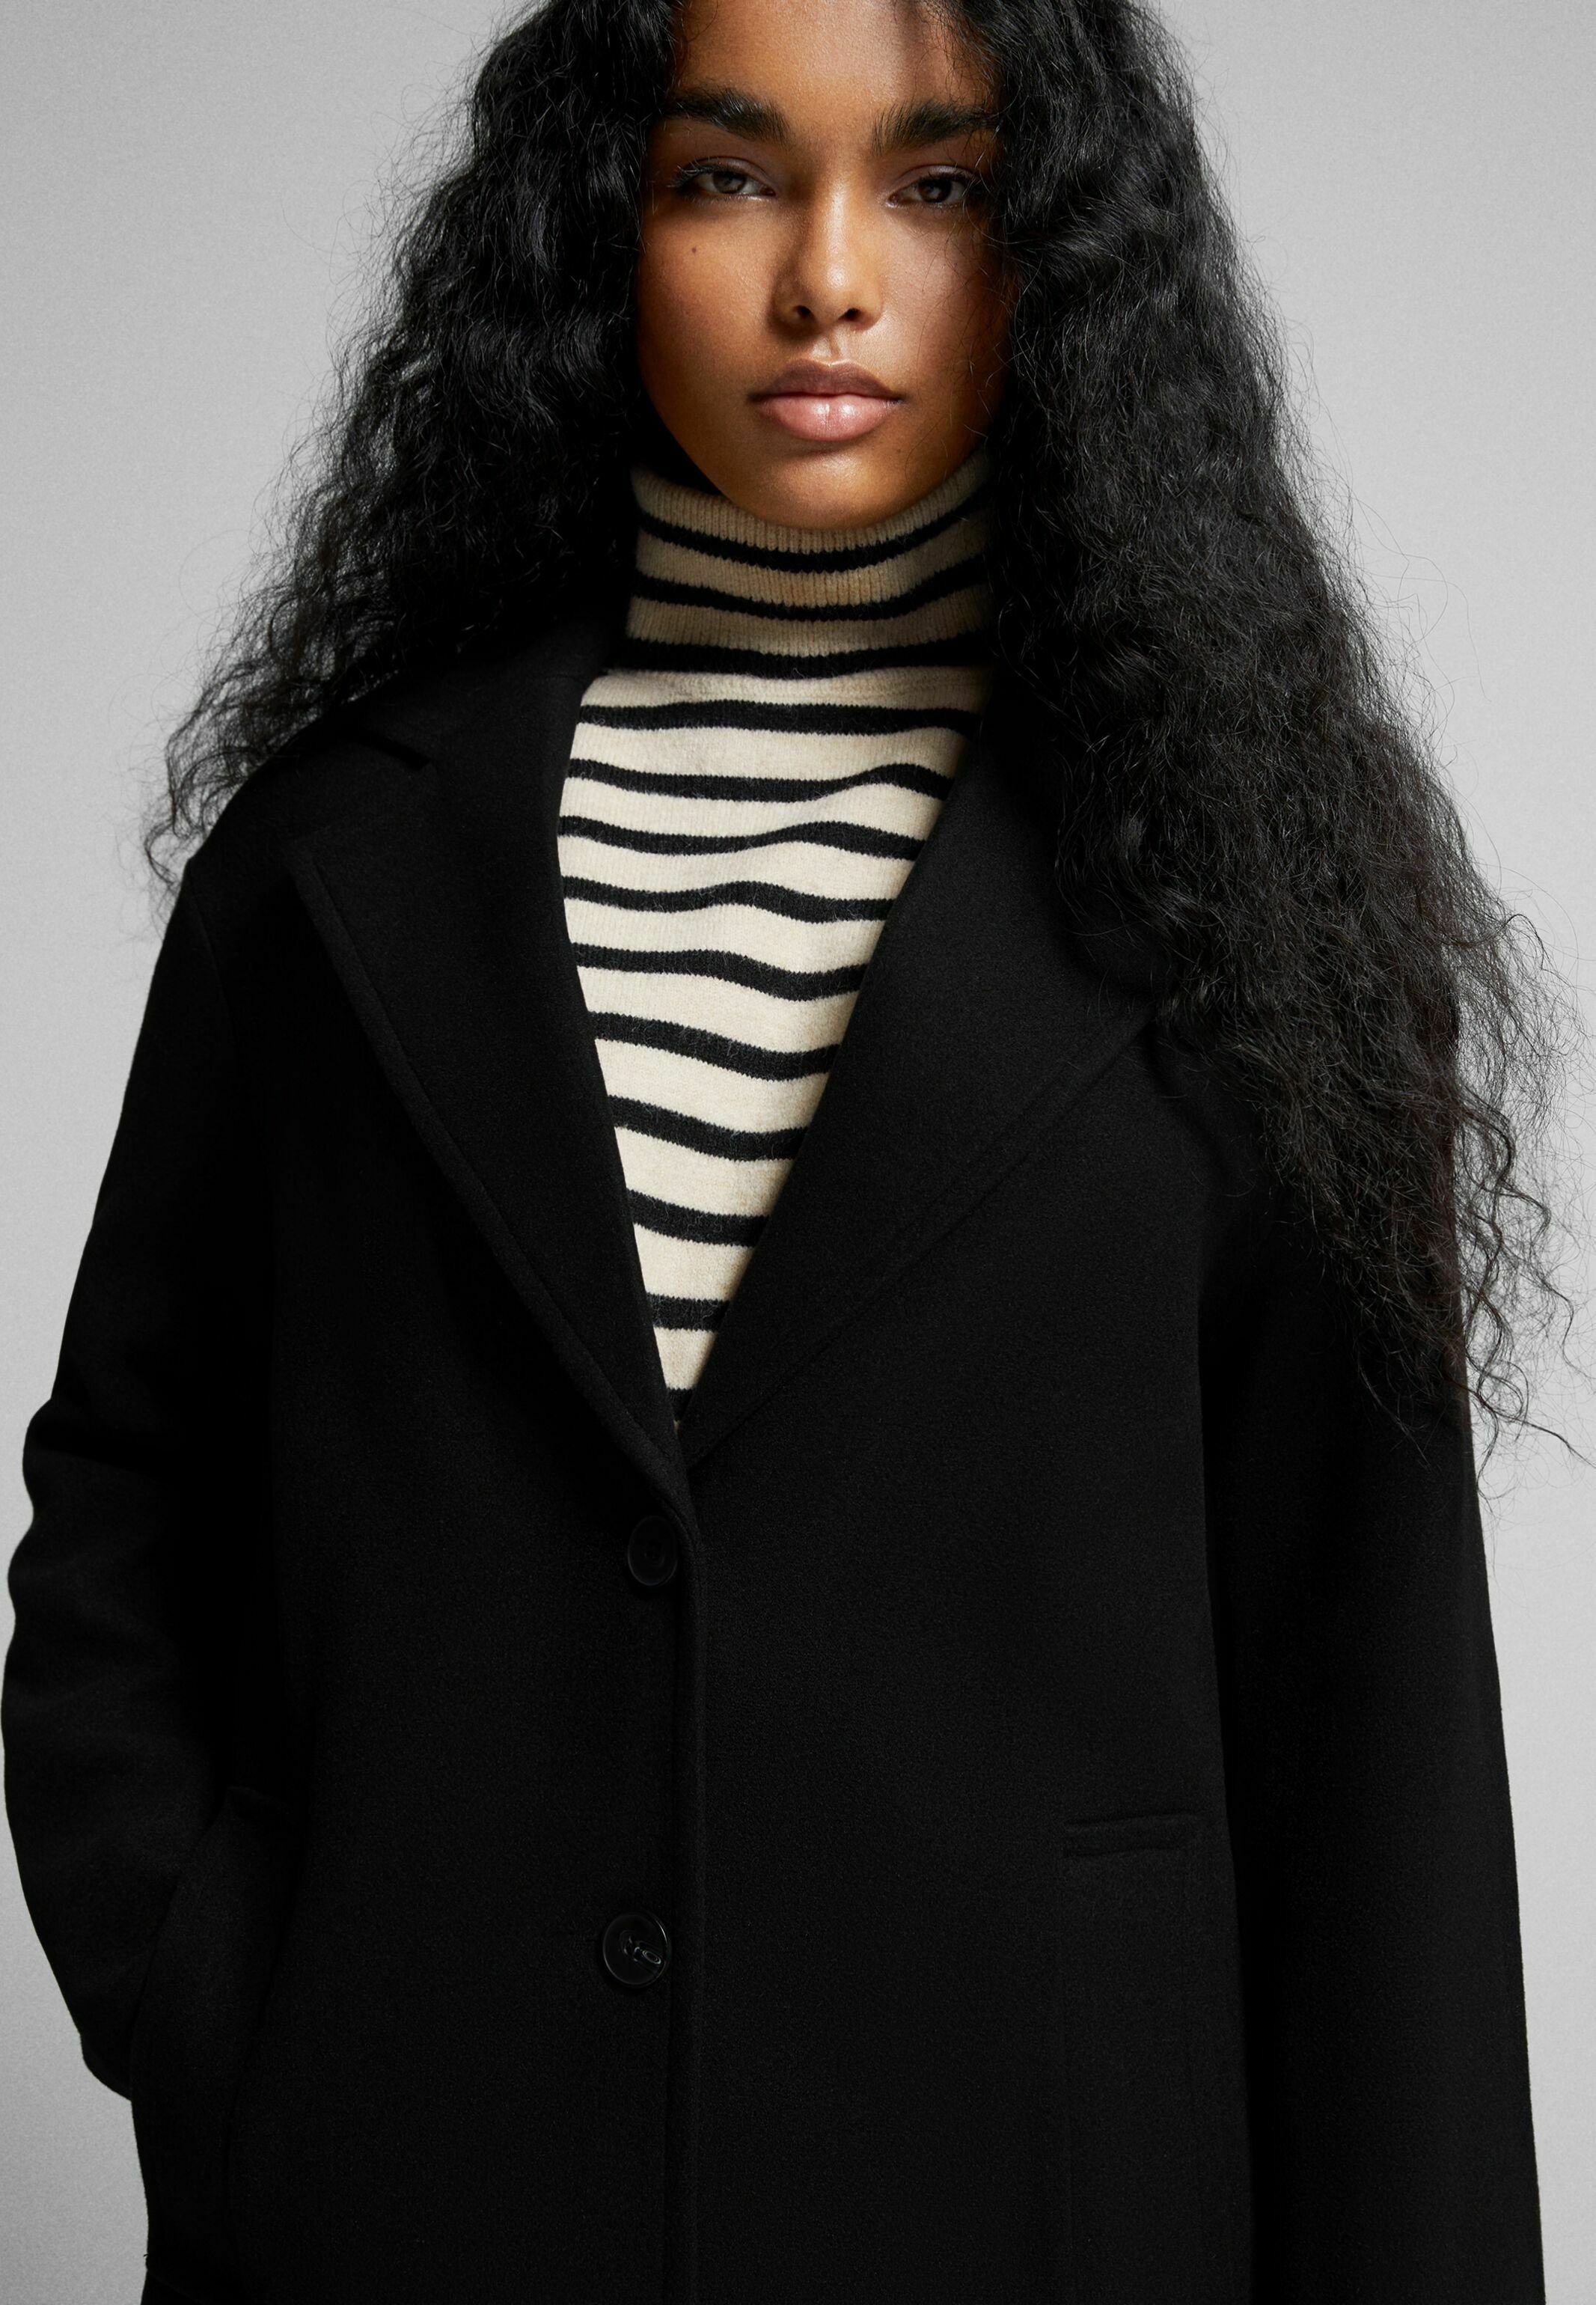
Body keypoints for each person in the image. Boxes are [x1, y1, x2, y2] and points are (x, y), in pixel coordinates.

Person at [2, 0, 1565, 2298]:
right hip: (405, 2202)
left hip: (1044, 2214)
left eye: (938, 186)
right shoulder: (328, 867)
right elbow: (129, 1502)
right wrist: (220, 1993)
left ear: (1054, 250)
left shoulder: (1258, 906)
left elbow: (1378, 1727)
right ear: (594, 228)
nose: (829, 278)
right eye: (726, 174)